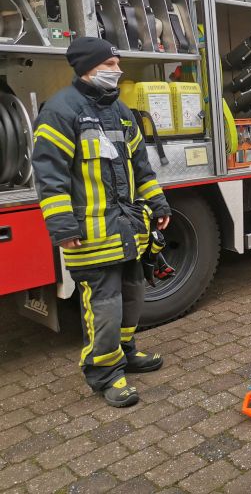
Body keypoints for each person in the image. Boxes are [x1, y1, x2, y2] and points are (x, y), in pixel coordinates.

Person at [31, 37, 171, 408]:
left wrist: (157, 202)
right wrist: (62, 227)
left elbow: (141, 165)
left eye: (117, 63)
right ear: (88, 68)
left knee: (132, 296)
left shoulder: (121, 112)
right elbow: (50, 176)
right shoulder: (61, 111)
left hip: (126, 229)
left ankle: (126, 353)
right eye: (109, 64)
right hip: (91, 236)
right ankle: (105, 374)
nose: (116, 70)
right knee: (104, 307)